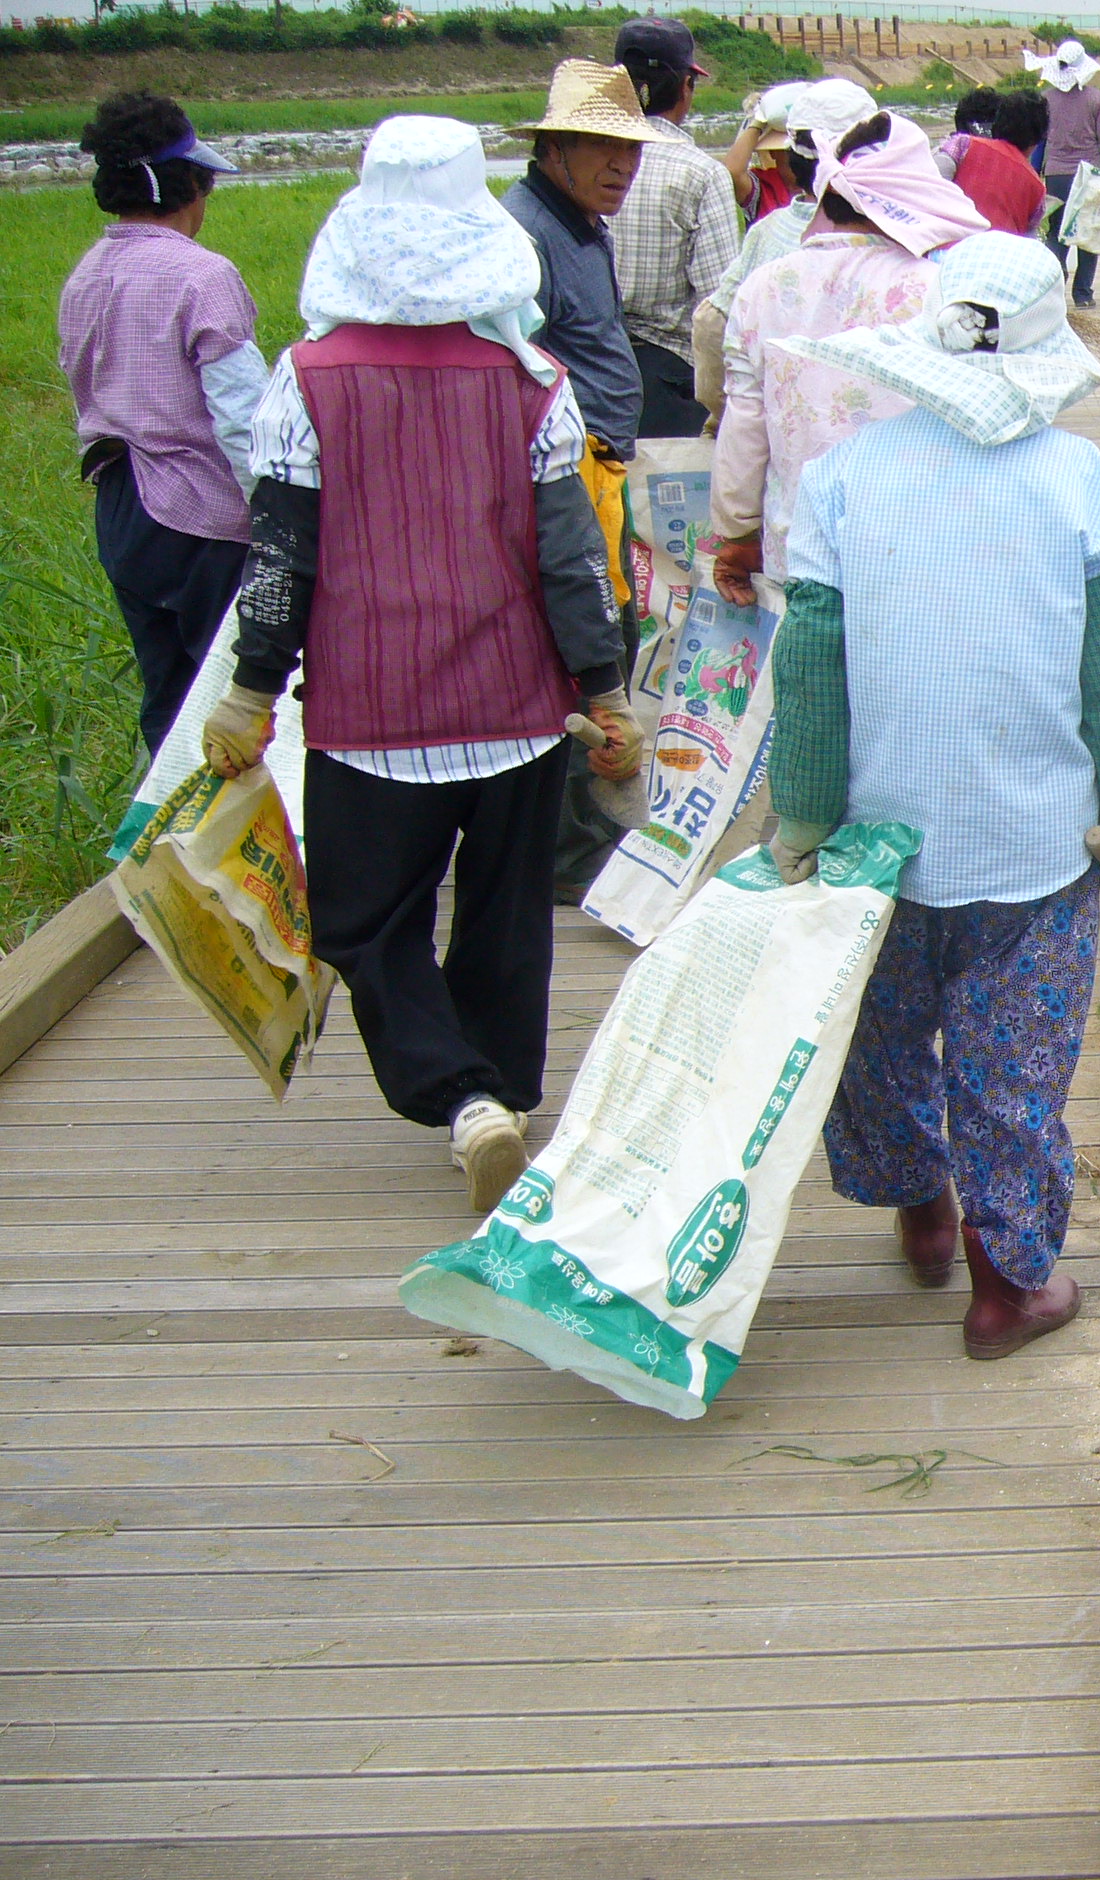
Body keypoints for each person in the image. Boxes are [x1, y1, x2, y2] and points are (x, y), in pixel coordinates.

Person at [199, 117, 641, 1212]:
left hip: (370, 705)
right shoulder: (531, 377)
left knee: (363, 920)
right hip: (516, 705)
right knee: (503, 911)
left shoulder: (307, 378)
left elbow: (280, 554)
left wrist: (251, 691)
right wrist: (606, 692)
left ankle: (463, 1101)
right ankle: (491, 1094)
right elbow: (569, 558)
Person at [762, 231, 1100, 1359]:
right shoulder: (1072, 475)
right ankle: (1006, 1289)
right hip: (1028, 851)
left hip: (876, 848)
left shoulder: (845, 474)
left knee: (885, 1044)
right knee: (1010, 1070)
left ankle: (922, 1213)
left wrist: (800, 818)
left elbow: (811, 658)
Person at [503, 59, 668, 899]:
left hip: (599, 464)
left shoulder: (578, 224)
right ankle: (570, 854)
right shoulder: (526, 232)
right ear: (555, 147)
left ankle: (585, 835)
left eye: (630, 154)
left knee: (608, 634)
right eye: (603, 150)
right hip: (564, 470)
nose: (621, 169)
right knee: (586, 642)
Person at [708, 111, 985, 605]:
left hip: (799, 557)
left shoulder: (762, 289)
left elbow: (744, 427)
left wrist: (737, 534)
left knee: (811, 679)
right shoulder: (937, 292)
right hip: (917, 554)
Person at [57, 92, 264, 752]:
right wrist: (281, 514)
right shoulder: (203, 276)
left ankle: (159, 841)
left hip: (122, 513)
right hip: (201, 520)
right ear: (191, 185)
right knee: (237, 701)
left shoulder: (84, 274)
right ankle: (235, 843)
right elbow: (242, 422)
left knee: (167, 698)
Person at [692, 77, 878, 423]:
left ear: (795, 157)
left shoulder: (768, 234)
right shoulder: (903, 234)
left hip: (780, 425)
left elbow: (712, 325)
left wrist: (727, 410)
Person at [608, 17, 739, 439]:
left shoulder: (586, 161)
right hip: (670, 380)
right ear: (685, 87)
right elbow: (718, 306)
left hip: (595, 367)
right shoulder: (701, 173)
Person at [1030, 37, 1100, 308]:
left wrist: (1033, 172)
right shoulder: (1096, 98)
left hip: (1057, 174)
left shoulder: (1046, 100)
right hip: (1089, 175)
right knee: (1089, 235)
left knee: (1057, 233)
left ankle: (1054, 282)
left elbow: (1041, 141)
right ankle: (1082, 294)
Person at [953, 86, 1048, 235]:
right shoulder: (1037, 187)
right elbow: (1029, 237)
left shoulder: (962, 145)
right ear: (1038, 139)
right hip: (1002, 252)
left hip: (951, 243)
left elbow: (934, 185)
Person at [719, 80, 809, 220]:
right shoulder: (764, 188)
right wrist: (758, 122)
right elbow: (732, 172)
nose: (799, 156)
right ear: (774, 153)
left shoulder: (828, 183)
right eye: (789, 151)